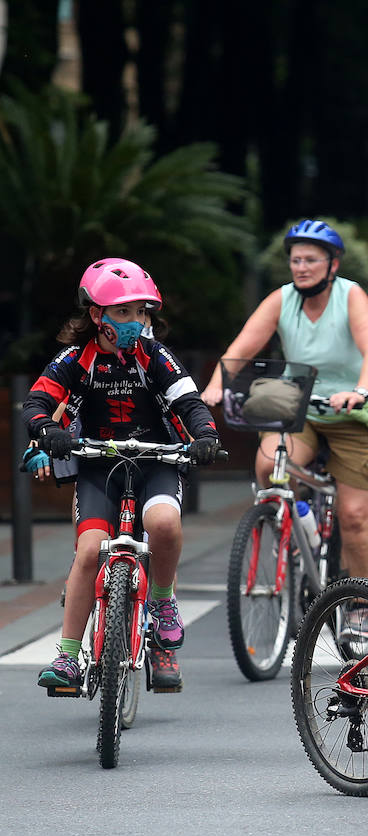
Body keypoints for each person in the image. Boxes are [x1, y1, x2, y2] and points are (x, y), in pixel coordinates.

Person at [25, 258, 220, 692]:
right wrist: (47, 430)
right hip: (98, 467)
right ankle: (68, 656)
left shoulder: (155, 356)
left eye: (142, 312)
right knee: (90, 550)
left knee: (163, 524)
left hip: (158, 463)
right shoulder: (76, 359)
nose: (137, 322)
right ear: (97, 315)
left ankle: (164, 601)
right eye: (124, 312)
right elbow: (37, 402)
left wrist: (205, 434)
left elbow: (189, 402)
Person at [202, 220, 368, 616]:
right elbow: (241, 350)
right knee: (270, 466)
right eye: (295, 260)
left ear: (332, 264)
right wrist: (216, 386)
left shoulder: (351, 296)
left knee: (355, 518)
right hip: (300, 407)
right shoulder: (281, 299)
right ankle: (294, 518)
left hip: (355, 412)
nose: (301, 267)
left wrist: (359, 391)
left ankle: (360, 607)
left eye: (311, 260)